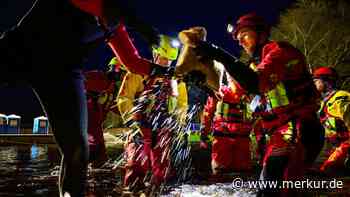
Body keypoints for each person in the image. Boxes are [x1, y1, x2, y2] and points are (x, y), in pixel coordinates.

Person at [0, 1, 159, 196]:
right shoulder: (109, 10)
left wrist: (169, 72)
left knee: (77, 151)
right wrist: (133, 19)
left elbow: (133, 62)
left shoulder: (115, 23)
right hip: (20, 49)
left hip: (63, 73)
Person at [194, 12, 324, 196]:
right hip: (282, 132)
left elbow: (255, 82)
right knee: (270, 188)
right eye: (238, 39)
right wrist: (202, 82)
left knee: (278, 187)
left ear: (262, 34)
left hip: (299, 128)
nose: (240, 41)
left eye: (244, 35)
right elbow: (233, 93)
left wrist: (220, 54)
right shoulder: (256, 65)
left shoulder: (280, 51)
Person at [111, 26, 188, 192]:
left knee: (162, 168)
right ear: (155, 54)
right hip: (140, 126)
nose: (166, 63)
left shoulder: (176, 80)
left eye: (169, 61)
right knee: (135, 163)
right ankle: (132, 191)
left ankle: (160, 191)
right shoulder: (138, 72)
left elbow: (182, 105)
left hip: (163, 128)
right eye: (163, 59)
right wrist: (132, 121)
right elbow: (124, 98)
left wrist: (178, 124)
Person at [200, 72, 253, 175]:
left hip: (232, 139)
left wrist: (204, 135)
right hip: (232, 139)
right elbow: (208, 113)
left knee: (229, 172)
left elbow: (208, 113)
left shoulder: (222, 92)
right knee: (233, 172)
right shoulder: (247, 94)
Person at [84, 58, 127, 168]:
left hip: (95, 124)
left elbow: (115, 107)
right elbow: (77, 82)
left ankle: (95, 173)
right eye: (115, 69)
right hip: (87, 122)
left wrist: (129, 117)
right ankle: (80, 169)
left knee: (101, 156)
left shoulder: (112, 89)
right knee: (94, 148)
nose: (116, 72)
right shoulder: (96, 76)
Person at [312, 66, 350, 174]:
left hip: (346, 148)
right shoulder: (324, 102)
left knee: (326, 172)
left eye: (316, 81)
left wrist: (340, 154)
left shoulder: (341, 99)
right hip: (335, 147)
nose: (313, 84)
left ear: (327, 82)